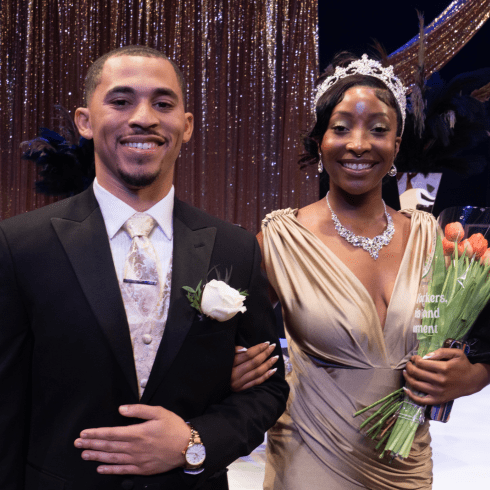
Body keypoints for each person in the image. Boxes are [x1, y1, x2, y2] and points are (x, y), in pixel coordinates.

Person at [0, 45, 289, 490]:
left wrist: (195, 442)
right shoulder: (21, 245)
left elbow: (267, 389)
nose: (144, 118)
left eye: (163, 103)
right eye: (120, 101)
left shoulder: (234, 248)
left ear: (186, 125)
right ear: (85, 120)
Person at [231, 53, 490, 489]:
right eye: (341, 127)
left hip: (406, 467)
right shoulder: (279, 240)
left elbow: (479, 342)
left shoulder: (435, 239)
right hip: (310, 463)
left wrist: (474, 376)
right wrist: (231, 369)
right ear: (319, 141)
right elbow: (218, 343)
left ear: (397, 143)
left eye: (378, 129)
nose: (358, 143)